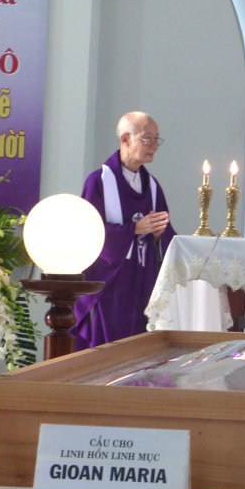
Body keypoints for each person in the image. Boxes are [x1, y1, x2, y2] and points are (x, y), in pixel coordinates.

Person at [72, 112, 175, 349]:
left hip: (144, 283)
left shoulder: (153, 186)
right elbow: (87, 234)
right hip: (111, 287)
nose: (154, 146)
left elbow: (166, 235)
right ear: (125, 139)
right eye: (147, 138)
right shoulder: (99, 182)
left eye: (157, 139)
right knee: (108, 353)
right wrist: (133, 230)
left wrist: (159, 235)